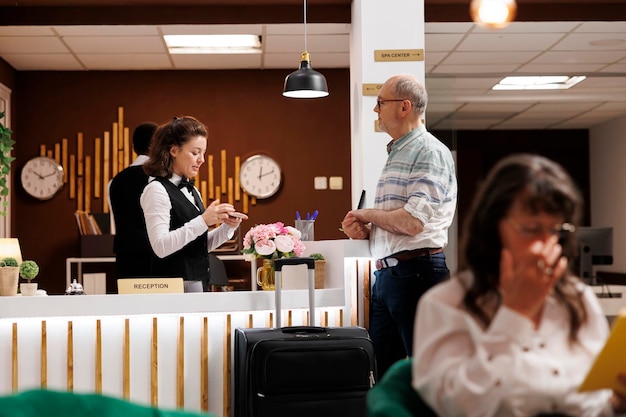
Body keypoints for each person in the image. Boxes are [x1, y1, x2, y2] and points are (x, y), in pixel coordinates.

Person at [412, 153, 626, 417]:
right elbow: (457, 408)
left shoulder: (578, 298)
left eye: (556, 231)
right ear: (493, 227)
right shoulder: (444, 304)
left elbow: (596, 403)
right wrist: (515, 313)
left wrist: (616, 401)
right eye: (530, 228)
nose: (545, 245)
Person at [341, 74, 457, 378]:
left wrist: (367, 214)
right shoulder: (398, 152)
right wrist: (366, 231)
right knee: (383, 374)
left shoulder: (429, 152)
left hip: (417, 273)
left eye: (380, 102)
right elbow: (398, 221)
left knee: (426, 376)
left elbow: (412, 222)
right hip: (391, 276)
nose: (376, 110)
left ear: (404, 107)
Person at [140, 116, 247, 292]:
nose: (202, 159)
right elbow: (160, 246)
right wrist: (204, 221)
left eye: (203, 153)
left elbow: (198, 246)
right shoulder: (156, 190)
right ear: (174, 150)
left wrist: (227, 228)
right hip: (172, 290)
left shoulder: (193, 191)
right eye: (195, 153)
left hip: (199, 285)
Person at [109, 121, 158, 279]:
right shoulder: (161, 179)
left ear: (134, 147)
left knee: (128, 302)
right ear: (157, 144)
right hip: (156, 258)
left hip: (125, 258)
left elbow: (114, 223)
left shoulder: (114, 181)